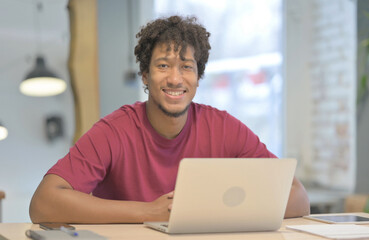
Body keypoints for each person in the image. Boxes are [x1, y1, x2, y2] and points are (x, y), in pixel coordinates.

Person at [29, 15, 310, 224]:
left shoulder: (224, 128)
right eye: (163, 66)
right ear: (145, 76)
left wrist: (203, 211)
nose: (175, 78)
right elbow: (43, 203)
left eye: (186, 67)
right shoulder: (114, 131)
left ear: (198, 78)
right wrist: (149, 211)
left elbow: (298, 198)